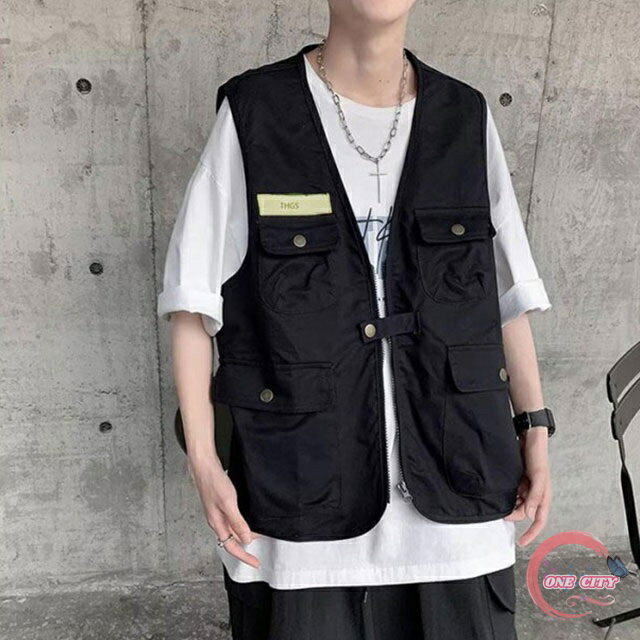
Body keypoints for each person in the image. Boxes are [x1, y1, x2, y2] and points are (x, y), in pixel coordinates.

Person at [157, 2, 554, 638]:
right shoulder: (257, 114)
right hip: (301, 498)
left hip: (461, 490)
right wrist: (204, 461)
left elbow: (506, 296)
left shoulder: (464, 116)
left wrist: (534, 428)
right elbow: (191, 302)